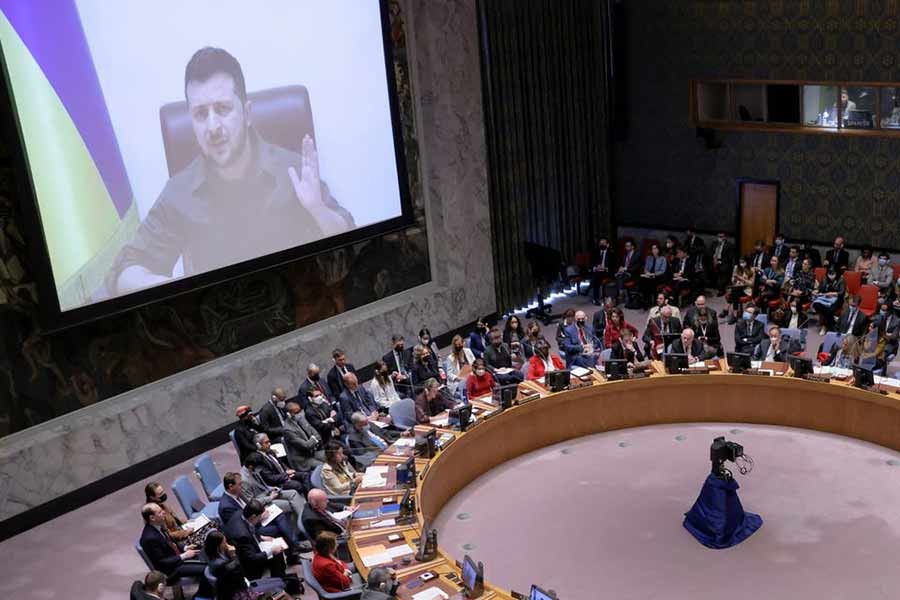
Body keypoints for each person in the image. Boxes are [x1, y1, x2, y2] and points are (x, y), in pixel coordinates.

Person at [106, 47, 352, 295]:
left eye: (223, 109)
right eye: (201, 114)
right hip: (221, 311)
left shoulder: (292, 170)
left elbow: (350, 242)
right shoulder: (180, 192)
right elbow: (124, 270)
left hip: (294, 302)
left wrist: (317, 209)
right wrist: (175, 290)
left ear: (247, 114)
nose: (212, 126)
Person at [139, 503, 212, 593]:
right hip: (171, 570)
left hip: (176, 558)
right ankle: (204, 594)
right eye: (160, 512)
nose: (164, 512)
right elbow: (161, 562)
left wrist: (185, 548)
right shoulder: (149, 538)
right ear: (152, 518)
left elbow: (170, 541)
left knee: (208, 552)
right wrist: (184, 556)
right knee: (207, 569)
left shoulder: (158, 526)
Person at [205, 529, 285, 600]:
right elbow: (241, 574)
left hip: (236, 585)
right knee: (278, 584)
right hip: (239, 592)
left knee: (277, 581)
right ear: (218, 546)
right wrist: (233, 555)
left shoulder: (212, 554)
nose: (227, 544)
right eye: (224, 542)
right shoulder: (221, 564)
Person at [223, 500, 288, 581]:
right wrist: (271, 551)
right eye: (259, 517)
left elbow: (251, 529)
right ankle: (278, 581)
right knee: (276, 553)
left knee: (276, 549)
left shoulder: (240, 513)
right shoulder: (242, 535)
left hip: (251, 547)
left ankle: (282, 577)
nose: (259, 519)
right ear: (253, 517)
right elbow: (252, 558)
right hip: (248, 565)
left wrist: (261, 537)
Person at [241, 453, 306, 519]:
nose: (261, 469)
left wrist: (272, 488)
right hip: (264, 503)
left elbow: (263, 485)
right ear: (251, 466)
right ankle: (304, 520)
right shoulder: (244, 481)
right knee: (290, 504)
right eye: (260, 467)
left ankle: (304, 517)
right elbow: (252, 503)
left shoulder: (252, 469)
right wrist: (270, 498)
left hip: (269, 492)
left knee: (293, 493)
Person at [282, 402, 325, 472]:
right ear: (288, 414)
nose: (300, 413)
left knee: (332, 456)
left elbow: (316, 434)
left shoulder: (302, 419)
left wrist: (312, 440)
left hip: (313, 452)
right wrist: (313, 439)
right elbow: (306, 446)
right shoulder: (288, 430)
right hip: (304, 460)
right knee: (324, 467)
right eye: (296, 412)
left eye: (300, 410)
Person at [812, 269, 846, 334]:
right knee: (816, 304)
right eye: (829, 273)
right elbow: (820, 288)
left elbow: (841, 292)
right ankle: (832, 323)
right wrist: (816, 292)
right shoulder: (825, 278)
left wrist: (832, 293)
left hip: (837, 298)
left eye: (833, 273)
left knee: (830, 309)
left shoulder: (841, 280)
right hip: (824, 297)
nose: (831, 275)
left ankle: (824, 326)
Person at [724, 257, 755, 324]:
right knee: (735, 291)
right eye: (740, 262)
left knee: (734, 291)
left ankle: (728, 309)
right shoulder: (736, 268)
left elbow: (752, 284)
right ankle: (734, 315)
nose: (741, 264)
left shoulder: (751, 269)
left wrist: (741, 279)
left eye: (743, 262)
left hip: (746, 289)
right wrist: (735, 280)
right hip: (737, 288)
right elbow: (732, 279)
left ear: (746, 262)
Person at [639, 243, 668, 308]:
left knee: (648, 282)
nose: (654, 250)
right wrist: (647, 273)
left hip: (658, 277)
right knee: (643, 280)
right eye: (652, 249)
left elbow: (662, 271)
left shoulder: (663, 258)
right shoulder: (649, 258)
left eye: (655, 248)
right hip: (649, 276)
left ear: (659, 250)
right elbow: (645, 268)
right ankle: (646, 300)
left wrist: (653, 274)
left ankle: (647, 300)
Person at [614, 239, 642, 304]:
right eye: (626, 246)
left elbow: (636, 267)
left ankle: (620, 295)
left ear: (633, 247)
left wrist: (625, 269)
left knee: (620, 277)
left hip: (633, 274)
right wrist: (621, 268)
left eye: (628, 246)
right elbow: (622, 264)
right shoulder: (625, 255)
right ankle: (622, 295)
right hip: (624, 273)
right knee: (618, 275)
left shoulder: (637, 254)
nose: (626, 247)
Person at [588, 237, 615, 304]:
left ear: (607, 245)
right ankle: (595, 298)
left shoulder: (612, 253)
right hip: (597, 271)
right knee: (596, 276)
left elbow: (614, 266)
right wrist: (595, 268)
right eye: (600, 243)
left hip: (607, 272)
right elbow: (590, 264)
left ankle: (590, 292)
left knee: (596, 277)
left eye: (603, 243)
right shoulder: (595, 252)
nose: (602, 244)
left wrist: (605, 268)